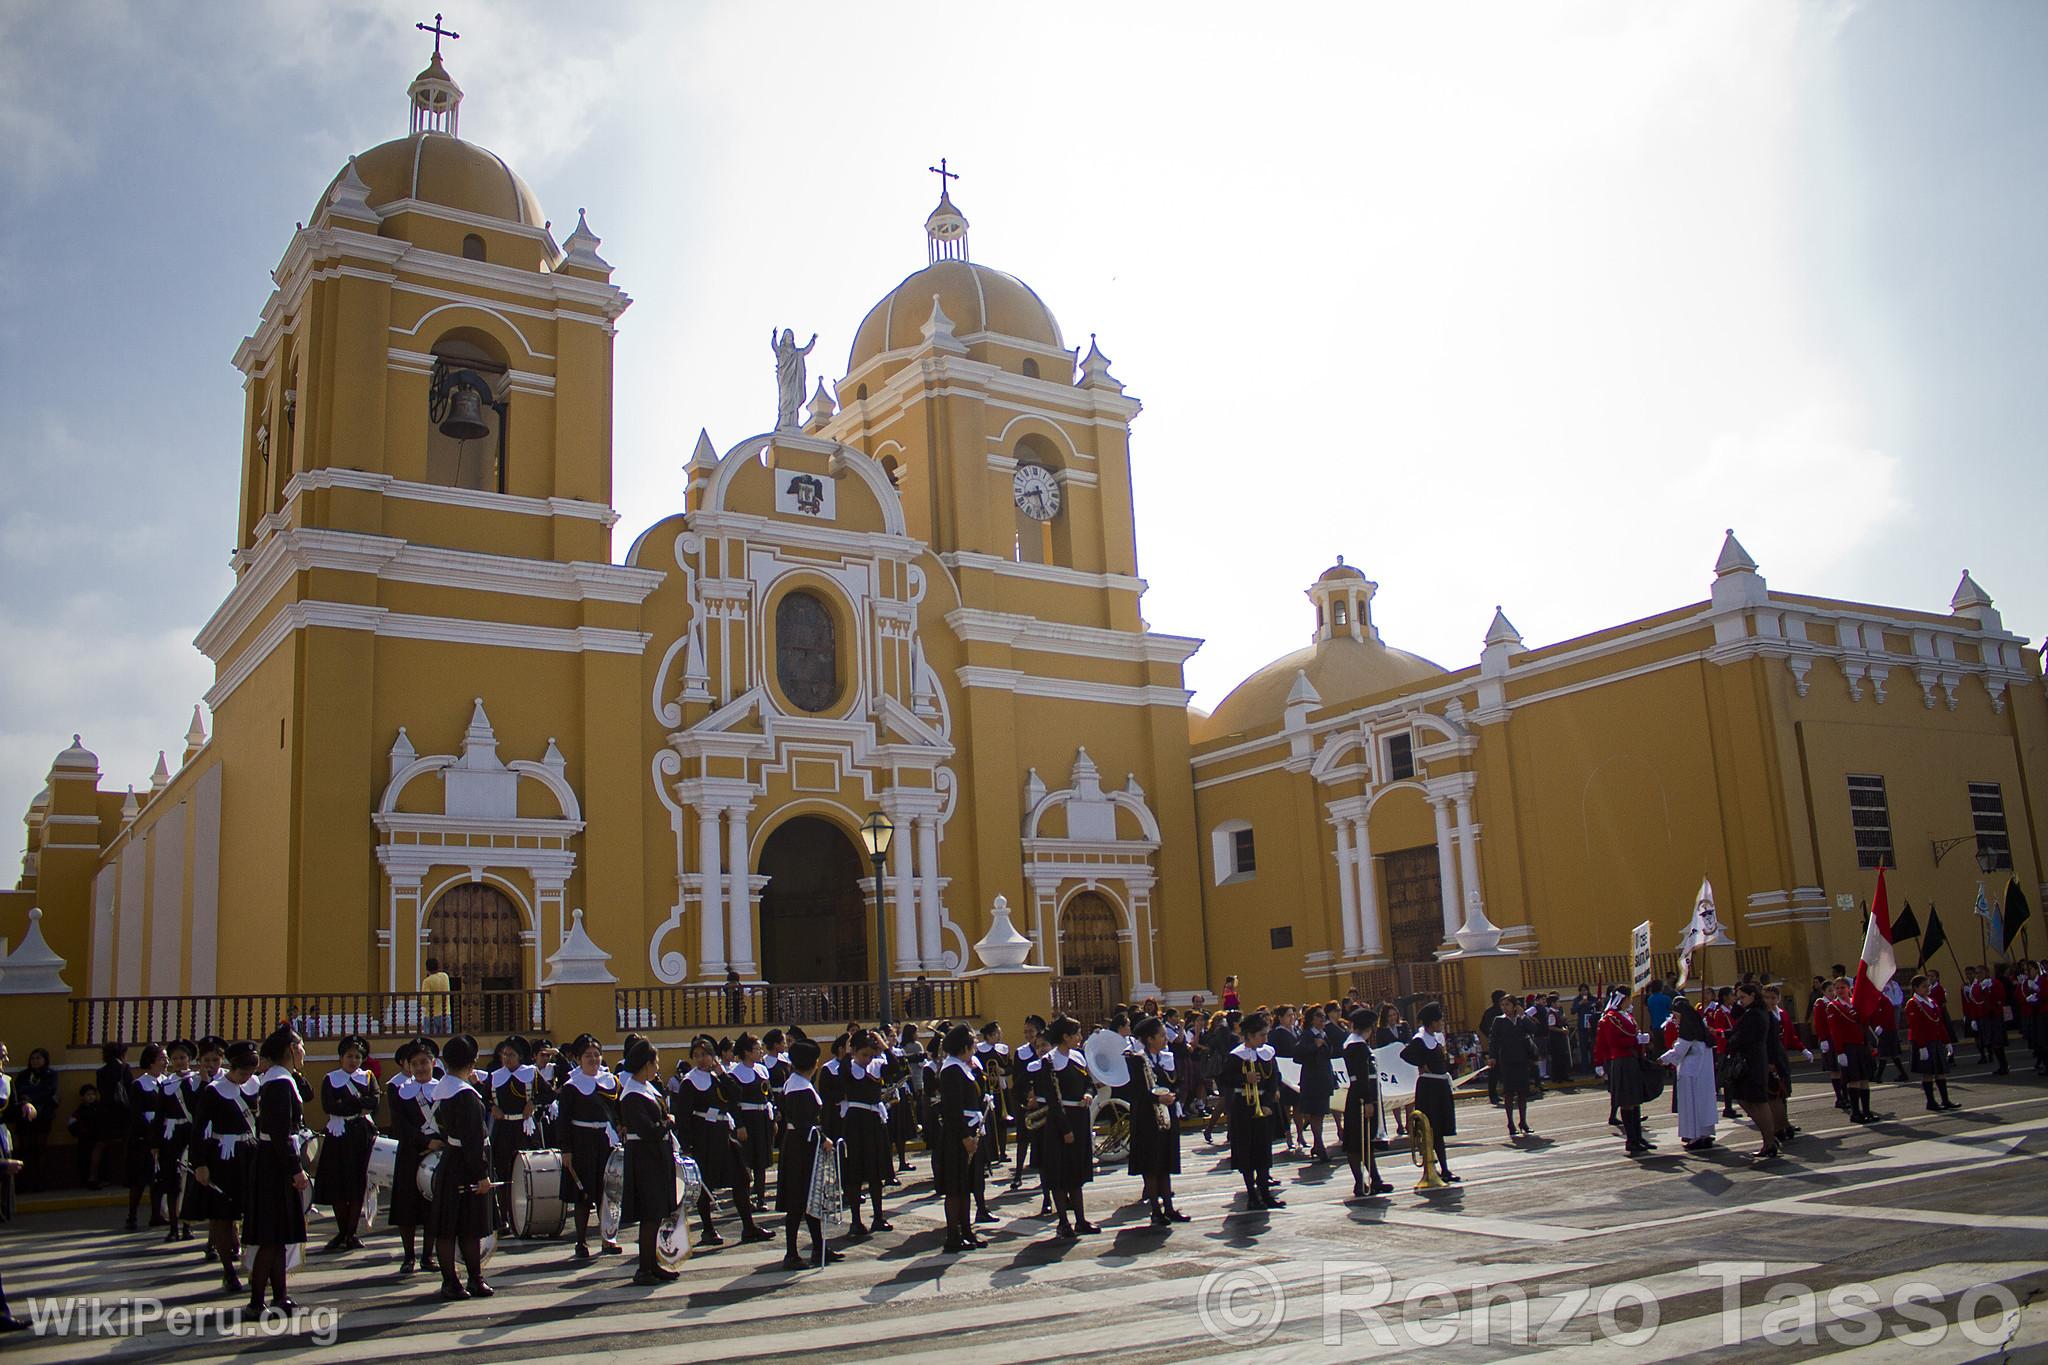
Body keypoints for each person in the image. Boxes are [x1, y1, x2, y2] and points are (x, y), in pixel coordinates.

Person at [673, 1035, 773, 1248]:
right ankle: (708, 1229)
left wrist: (721, 1072)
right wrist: (687, 1145)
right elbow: (683, 1116)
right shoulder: (690, 1082)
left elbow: (735, 1094)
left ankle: (748, 1226)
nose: (702, 1059)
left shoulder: (720, 1076)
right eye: (697, 1055)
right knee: (705, 1183)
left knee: (741, 1178)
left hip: (723, 1132)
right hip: (704, 1136)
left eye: (706, 1054)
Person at [245, 1026, 309, 1313]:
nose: (303, 1050)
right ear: (290, 1051)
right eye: (299, 1046)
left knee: (278, 1237)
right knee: (271, 1238)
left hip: (272, 1161)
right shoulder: (280, 1083)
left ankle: (279, 1295)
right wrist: (295, 1169)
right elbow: (282, 1132)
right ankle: (256, 1302)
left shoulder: (278, 1080)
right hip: (276, 1165)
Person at [427, 1033, 495, 1300]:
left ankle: (453, 1280)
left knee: (449, 1225)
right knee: (468, 1226)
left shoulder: (443, 1088)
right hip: (466, 1164)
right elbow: (473, 1139)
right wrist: (481, 1174)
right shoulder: (465, 1096)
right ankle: (471, 1279)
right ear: (472, 1061)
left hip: (449, 1160)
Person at [191, 1039, 259, 1296]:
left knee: (252, 1213)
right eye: (243, 1072)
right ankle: (228, 1271)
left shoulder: (255, 1086)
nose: (247, 1077)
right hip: (224, 1156)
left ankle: (254, 1265)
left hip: (250, 1154)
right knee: (223, 1215)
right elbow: (199, 1129)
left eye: (251, 1072)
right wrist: (200, 1164)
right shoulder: (215, 1090)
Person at [615, 1036, 679, 1286]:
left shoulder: (647, 1088)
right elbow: (648, 1130)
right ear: (645, 1064)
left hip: (656, 1154)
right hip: (644, 1156)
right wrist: (668, 1122)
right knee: (649, 1214)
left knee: (657, 1213)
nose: (658, 1067)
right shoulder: (631, 1094)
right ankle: (644, 1268)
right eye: (655, 1063)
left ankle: (653, 1264)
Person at [311, 1034, 379, 1253]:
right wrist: (358, 1104)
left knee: (358, 1183)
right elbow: (330, 1106)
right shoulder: (330, 1079)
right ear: (341, 1057)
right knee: (338, 1183)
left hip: (360, 1135)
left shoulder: (368, 1077)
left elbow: (374, 1101)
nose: (354, 1061)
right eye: (350, 1056)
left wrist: (349, 1103)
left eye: (358, 1057)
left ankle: (351, 1233)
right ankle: (343, 1231)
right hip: (338, 1136)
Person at [773, 1038, 836, 1270]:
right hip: (800, 1149)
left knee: (810, 1198)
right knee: (798, 1200)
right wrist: (823, 1138)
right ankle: (791, 1253)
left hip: (803, 1146)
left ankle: (819, 1246)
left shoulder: (798, 1082)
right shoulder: (799, 1086)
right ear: (814, 1063)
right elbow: (802, 1123)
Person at [1036, 1015, 1101, 1236]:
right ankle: (1063, 1222)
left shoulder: (1078, 1057)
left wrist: (1088, 1094)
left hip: (1080, 1117)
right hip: (1060, 1122)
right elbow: (1053, 1098)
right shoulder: (1050, 1062)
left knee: (1077, 1172)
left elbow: (1089, 1084)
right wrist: (1065, 1129)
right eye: (1076, 1034)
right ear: (1065, 1037)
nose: (1080, 1038)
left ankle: (1081, 1220)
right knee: (1060, 1173)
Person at [1122, 1015, 1189, 1226]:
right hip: (1147, 1118)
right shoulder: (1136, 1060)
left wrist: (1173, 1093)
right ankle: (1155, 1210)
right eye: (1161, 1036)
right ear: (1150, 1039)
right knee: (1151, 1165)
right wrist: (1157, 1097)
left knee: (1165, 1163)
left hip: (1166, 1115)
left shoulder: (1165, 1058)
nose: (1165, 1039)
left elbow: (1175, 1081)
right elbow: (1135, 1091)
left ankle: (1168, 1207)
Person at [387, 1039, 441, 1276]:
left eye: (424, 1062)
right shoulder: (399, 1091)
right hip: (411, 1153)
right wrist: (424, 1142)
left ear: (433, 1063)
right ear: (408, 1066)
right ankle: (409, 1255)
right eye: (415, 1063)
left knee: (433, 1207)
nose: (420, 1068)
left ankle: (428, 1255)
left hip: (438, 1154)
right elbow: (400, 1125)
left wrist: (438, 1143)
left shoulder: (444, 1089)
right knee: (407, 1207)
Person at [1221, 1011, 1284, 1209]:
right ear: (1249, 1035)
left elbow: (1274, 1079)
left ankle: (1265, 1193)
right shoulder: (1236, 1056)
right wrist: (1243, 1079)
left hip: (1263, 1105)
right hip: (1243, 1106)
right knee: (1247, 1150)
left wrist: (1266, 1103)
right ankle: (1251, 1195)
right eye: (1261, 1035)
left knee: (1263, 1150)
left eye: (1266, 1034)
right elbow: (1224, 1079)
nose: (1265, 1039)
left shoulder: (1267, 1053)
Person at [932, 1024, 987, 1253]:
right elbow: (952, 1109)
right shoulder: (951, 1070)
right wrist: (965, 1137)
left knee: (966, 1186)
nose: (975, 1046)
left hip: (969, 1130)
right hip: (957, 1136)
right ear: (965, 1046)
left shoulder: (963, 1067)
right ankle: (953, 1235)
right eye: (973, 1042)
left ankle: (966, 1231)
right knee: (956, 1188)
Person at [1400, 1004, 1459, 1182]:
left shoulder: (1436, 1038)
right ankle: (1433, 1167)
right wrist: (1422, 1064)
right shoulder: (1420, 1039)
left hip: (1440, 1085)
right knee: (1432, 1129)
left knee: (1441, 1128)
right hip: (1429, 1087)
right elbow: (1406, 1055)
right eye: (1440, 1020)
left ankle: (1444, 1169)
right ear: (1432, 1022)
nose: (1442, 1023)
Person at [1595, 989, 1655, 1156]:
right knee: (1628, 1101)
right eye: (1629, 998)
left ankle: (1638, 1137)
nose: (1631, 1001)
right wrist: (1634, 1040)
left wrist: (1641, 1041)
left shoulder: (1626, 1015)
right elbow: (1612, 1041)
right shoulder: (1610, 1018)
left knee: (1635, 1101)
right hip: (1622, 1061)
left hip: (1632, 1060)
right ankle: (1632, 1140)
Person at [1726, 982, 1782, 1162]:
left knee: (1758, 1101)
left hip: (1753, 1062)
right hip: (1751, 1062)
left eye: (1742, 997)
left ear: (1753, 996)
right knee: (1745, 1099)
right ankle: (1769, 1140)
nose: (1739, 1001)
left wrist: (1730, 1039)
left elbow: (1744, 1037)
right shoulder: (1751, 1012)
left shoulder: (1756, 1014)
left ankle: (1769, 1141)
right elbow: (1736, 1018)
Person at [1340, 1008, 1391, 1198]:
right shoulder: (1357, 1046)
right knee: (1356, 1142)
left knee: (1366, 1141)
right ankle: (1359, 1183)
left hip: (1363, 1094)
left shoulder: (1357, 1044)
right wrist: (1367, 1101)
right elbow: (1361, 1076)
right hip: (1360, 1097)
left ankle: (1375, 1179)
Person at [1660, 997, 1718, 1151]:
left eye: (1676, 1016)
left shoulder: (1687, 1033)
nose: (1674, 1019)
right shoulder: (1702, 1032)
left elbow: (1678, 1051)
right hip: (1702, 1075)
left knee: (1691, 1106)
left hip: (1690, 1074)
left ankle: (1695, 1136)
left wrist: (1662, 1060)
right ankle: (1705, 1134)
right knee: (1703, 1105)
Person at [1823, 978, 1879, 1124]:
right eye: (1837, 988)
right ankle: (1855, 1112)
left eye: (1843, 987)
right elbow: (1835, 1031)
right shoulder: (1833, 1006)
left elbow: (1865, 1022)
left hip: (1861, 1045)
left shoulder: (1856, 1003)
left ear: (1849, 988)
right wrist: (1840, 1051)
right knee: (1853, 1080)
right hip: (1848, 1047)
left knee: (1864, 1079)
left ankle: (1866, 1111)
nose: (1840, 990)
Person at [126, 1042, 168, 1230]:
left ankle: (156, 1214)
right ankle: (132, 1215)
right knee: (139, 1179)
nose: (166, 1062)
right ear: (151, 1062)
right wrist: (151, 1131)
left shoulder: (167, 1082)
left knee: (157, 1179)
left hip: (162, 1134)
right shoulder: (140, 1084)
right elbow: (136, 1114)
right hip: (143, 1138)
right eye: (162, 1058)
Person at [1906, 975, 1963, 1112]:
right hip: (1925, 1042)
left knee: (1941, 1071)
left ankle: (1945, 1100)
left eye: (1928, 985)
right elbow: (1916, 1027)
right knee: (1928, 1073)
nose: (1927, 988)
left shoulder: (1932, 1001)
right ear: (1916, 988)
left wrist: (1947, 1041)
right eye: (1924, 986)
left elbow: (1939, 1023)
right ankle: (1931, 1102)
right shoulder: (1913, 1003)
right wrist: (1922, 1046)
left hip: (1936, 1041)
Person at [1488, 1002, 1538, 1139]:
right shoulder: (1499, 1021)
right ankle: (1510, 1123)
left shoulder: (1521, 1020)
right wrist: (1492, 1056)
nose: (1505, 1007)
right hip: (1506, 1060)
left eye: (1508, 1005)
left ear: (1514, 1006)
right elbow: (1493, 1040)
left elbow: (1533, 1029)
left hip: (1521, 1059)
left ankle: (1523, 1122)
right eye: (1503, 1005)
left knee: (1522, 1092)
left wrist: (1523, 1016)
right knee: (1509, 1093)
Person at [9, 1049, 56, 1194]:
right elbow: (18, 1091)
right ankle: (23, 1183)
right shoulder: (24, 1075)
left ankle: (39, 1182)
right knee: (24, 1149)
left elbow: (49, 1091)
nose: (35, 1061)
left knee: (39, 1149)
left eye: (38, 1058)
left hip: (42, 1118)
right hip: (24, 1118)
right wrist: (26, 1100)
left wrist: (32, 1098)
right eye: (32, 1058)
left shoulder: (50, 1075)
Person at [1294, 1006, 1337, 1160]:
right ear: (1312, 1019)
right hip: (1313, 1080)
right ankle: (1319, 1146)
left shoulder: (1323, 1034)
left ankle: (1318, 1145)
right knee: (1316, 1114)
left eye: (1323, 1016)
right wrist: (1314, 1046)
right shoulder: (1307, 1035)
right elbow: (1297, 1055)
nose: (1322, 1019)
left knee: (1320, 1114)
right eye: (1319, 1016)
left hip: (1323, 1078)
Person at [974, 1022, 1011, 1166]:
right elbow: (977, 1068)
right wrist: (988, 1076)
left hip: (1001, 1088)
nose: (999, 1035)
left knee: (1003, 1122)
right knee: (990, 1122)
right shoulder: (979, 1050)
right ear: (988, 1036)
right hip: (988, 1089)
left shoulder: (1003, 1049)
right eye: (996, 1033)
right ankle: (991, 1152)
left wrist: (1003, 1071)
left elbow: (1010, 1067)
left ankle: (1003, 1151)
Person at [68, 1083, 107, 1187]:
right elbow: (72, 1125)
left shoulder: (100, 1108)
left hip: (99, 1139)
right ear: (82, 1097)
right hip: (85, 1140)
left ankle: (96, 1178)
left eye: (93, 1094)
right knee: (85, 1160)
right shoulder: (79, 1111)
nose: (91, 1097)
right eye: (88, 1094)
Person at [421, 958, 451, 1034]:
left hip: (431, 1015)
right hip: (445, 1013)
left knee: (431, 1041)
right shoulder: (445, 976)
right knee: (445, 1040)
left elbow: (424, 1000)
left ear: (427, 969)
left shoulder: (427, 981)